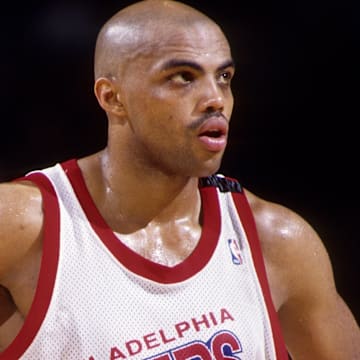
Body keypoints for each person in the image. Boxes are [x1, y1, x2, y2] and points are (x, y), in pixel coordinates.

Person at [0, 0, 359, 358]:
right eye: (183, 77)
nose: (215, 99)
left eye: (223, 77)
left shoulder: (276, 241)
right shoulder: (23, 226)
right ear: (112, 97)